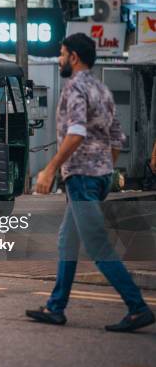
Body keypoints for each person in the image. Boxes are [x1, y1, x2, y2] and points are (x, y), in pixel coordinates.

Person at [26, 33, 155, 333]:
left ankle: (137, 307)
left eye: (61, 53)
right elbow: (117, 138)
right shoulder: (103, 89)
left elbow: (76, 132)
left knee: (98, 246)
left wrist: (49, 170)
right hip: (98, 177)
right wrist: (106, 171)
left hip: (82, 177)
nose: (59, 59)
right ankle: (55, 308)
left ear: (73, 57)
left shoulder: (75, 88)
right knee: (67, 241)